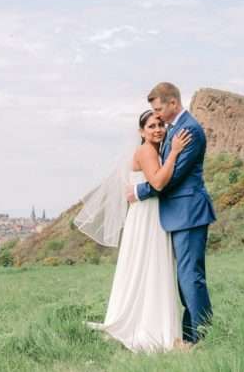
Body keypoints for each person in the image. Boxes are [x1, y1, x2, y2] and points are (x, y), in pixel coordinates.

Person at [74, 108, 193, 352]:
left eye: (160, 124)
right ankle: (154, 330)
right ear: (141, 131)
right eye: (151, 126)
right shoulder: (147, 151)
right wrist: (175, 153)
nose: (158, 129)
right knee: (151, 265)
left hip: (146, 214)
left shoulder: (152, 150)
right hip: (148, 216)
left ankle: (150, 322)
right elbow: (158, 182)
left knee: (148, 266)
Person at [128, 82, 216, 344]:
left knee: (191, 278)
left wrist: (140, 191)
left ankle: (200, 338)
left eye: (158, 110)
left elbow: (171, 178)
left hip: (189, 212)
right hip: (178, 214)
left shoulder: (189, 130)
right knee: (184, 278)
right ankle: (189, 335)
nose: (157, 116)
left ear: (173, 104)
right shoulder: (174, 129)